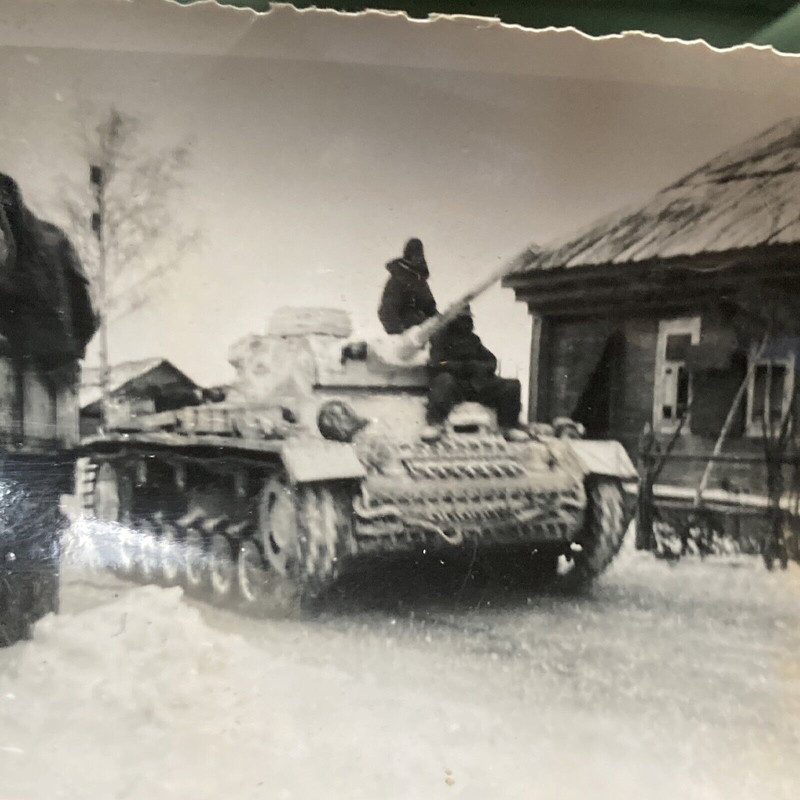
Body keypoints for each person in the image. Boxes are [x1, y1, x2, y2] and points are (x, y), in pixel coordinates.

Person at [427, 305, 522, 429]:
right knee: (444, 381)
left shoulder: (473, 340)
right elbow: (437, 364)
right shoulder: (440, 339)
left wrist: (479, 368)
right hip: (455, 385)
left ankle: (508, 427)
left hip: (477, 384)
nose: (466, 322)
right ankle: (435, 424)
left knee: (511, 386)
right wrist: (464, 367)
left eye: (467, 318)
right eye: (462, 318)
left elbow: (490, 360)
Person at [378, 238, 438, 334]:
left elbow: (430, 308)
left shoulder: (420, 282)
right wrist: (399, 335)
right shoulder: (397, 280)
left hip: (423, 332)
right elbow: (387, 311)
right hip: (407, 336)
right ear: (407, 255)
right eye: (414, 253)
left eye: (419, 253)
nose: (417, 257)